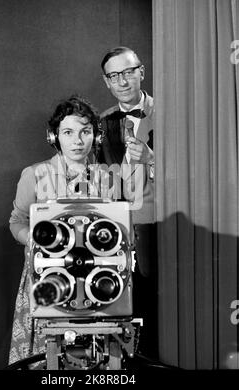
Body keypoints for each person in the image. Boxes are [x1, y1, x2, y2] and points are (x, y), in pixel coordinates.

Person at [7, 95, 141, 366]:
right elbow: (17, 221)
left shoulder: (110, 178)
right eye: (68, 132)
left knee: (100, 358)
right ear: (54, 136)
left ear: (96, 135)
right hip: (48, 277)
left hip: (98, 280)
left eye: (85, 131)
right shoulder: (34, 174)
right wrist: (33, 241)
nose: (77, 140)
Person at [99, 46, 157, 358]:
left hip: (157, 225)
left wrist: (152, 159)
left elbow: (194, 175)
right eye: (114, 75)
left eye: (128, 72)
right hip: (118, 228)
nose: (122, 81)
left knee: (154, 302)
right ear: (106, 82)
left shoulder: (168, 115)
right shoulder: (101, 123)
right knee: (118, 303)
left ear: (141, 72)